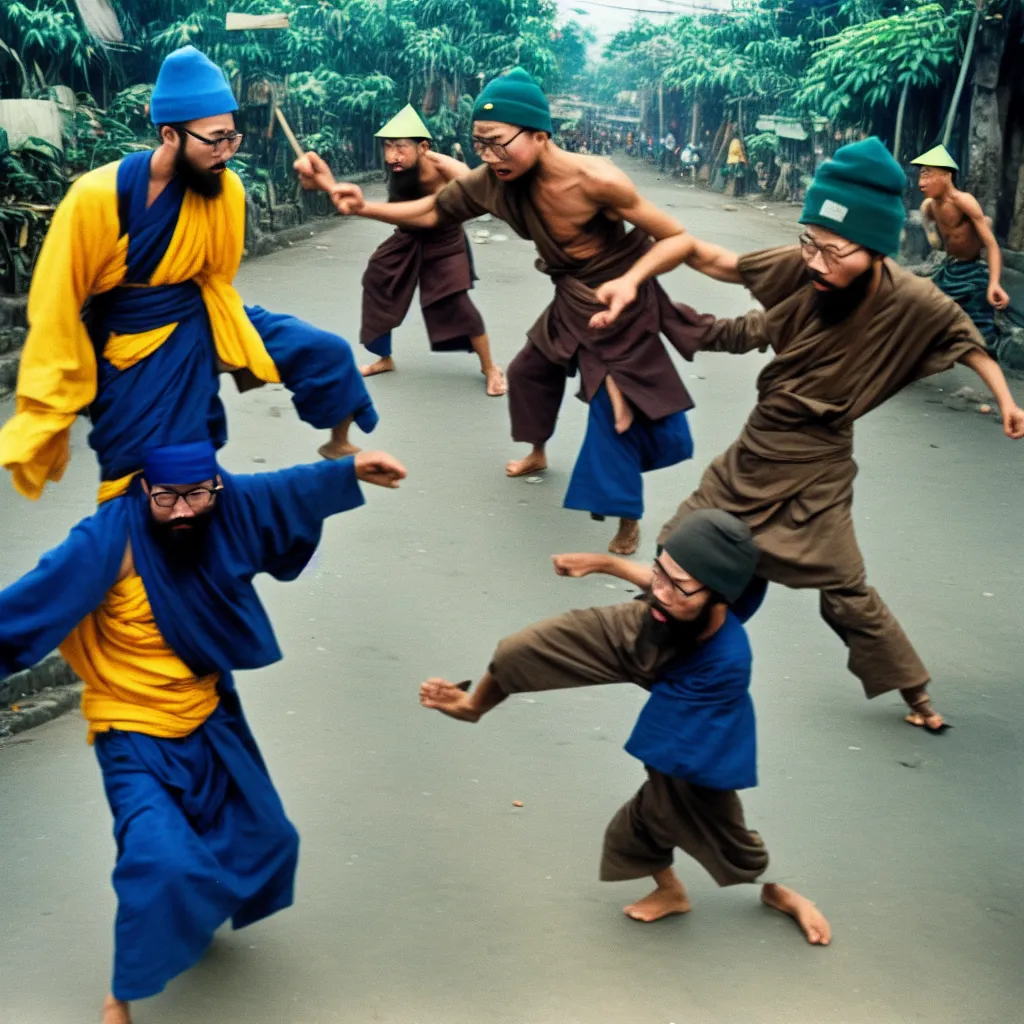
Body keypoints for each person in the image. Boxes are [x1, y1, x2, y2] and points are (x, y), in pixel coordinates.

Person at [592, 137, 1024, 730]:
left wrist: (1005, 401)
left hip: (820, 467)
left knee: (845, 586)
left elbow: (966, 343)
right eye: (809, 245)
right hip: (757, 448)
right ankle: (651, 650)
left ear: (873, 248)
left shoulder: (913, 301)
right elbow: (706, 255)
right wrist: (636, 274)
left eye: (834, 252)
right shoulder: (804, 270)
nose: (816, 263)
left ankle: (914, 694)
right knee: (683, 547)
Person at [0, 439, 407, 1024]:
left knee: (268, 836)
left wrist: (349, 471)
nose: (185, 510)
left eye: (198, 494)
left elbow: (281, 491)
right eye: (167, 498)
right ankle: (121, 998)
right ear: (143, 489)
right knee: (160, 860)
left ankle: (193, 909)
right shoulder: (105, 541)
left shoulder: (223, 506)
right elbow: (24, 608)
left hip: (209, 716)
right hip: (133, 730)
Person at [295, 69, 735, 556]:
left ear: (540, 136)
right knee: (528, 372)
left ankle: (627, 518)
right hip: (571, 296)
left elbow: (675, 238)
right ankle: (538, 452)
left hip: (619, 303)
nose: (488, 156)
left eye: (498, 143)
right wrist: (363, 208)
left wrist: (630, 283)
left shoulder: (596, 179)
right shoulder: (491, 181)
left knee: (617, 414)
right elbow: (433, 211)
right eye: (479, 144)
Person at [419, 511, 831, 945]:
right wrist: (606, 563)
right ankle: (472, 705)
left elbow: (670, 748)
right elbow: (671, 582)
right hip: (653, 636)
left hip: (697, 698)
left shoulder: (725, 665)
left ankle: (774, 888)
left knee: (674, 805)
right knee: (521, 650)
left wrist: (669, 791)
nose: (662, 589)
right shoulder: (675, 595)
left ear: (719, 596)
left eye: (679, 585)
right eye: (661, 572)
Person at [0, 45, 377, 505]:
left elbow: (218, 277)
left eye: (232, 139)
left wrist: (221, 342)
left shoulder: (227, 189)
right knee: (152, 469)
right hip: (128, 339)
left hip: (201, 310)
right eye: (214, 140)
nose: (226, 153)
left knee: (325, 351)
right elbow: (56, 302)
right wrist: (49, 397)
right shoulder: (96, 196)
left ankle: (337, 441)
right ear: (169, 135)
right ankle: (126, 556)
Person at [358, 105, 505, 395]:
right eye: (387, 147)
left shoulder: (445, 167)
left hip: (444, 239)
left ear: (422, 147)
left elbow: (476, 190)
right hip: (408, 236)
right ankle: (384, 358)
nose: (391, 156)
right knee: (376, 279)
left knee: (456, 303)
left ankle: (490, 367)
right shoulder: (400, 167)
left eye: (399, 147)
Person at [914, 144, 1010, 348]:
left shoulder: (963, 201)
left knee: (980, 333)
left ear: (946, 175)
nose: (921, 183)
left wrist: (995, 283)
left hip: (975, 271)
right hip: (951, 269)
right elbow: (936, 241)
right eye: (920, 176)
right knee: (928, 312)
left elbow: (992, 246)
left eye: (927, 175)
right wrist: (927, 226)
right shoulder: (930, 206)